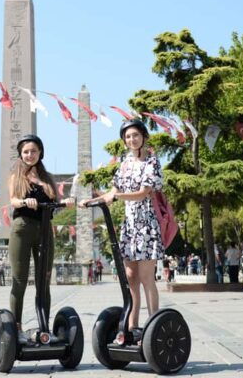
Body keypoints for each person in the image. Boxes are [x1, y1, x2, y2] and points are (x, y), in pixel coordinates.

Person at [80, 120, 163, 339]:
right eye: (127, 137)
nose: (131, 140)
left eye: (135, 135)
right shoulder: (125, 162)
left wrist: (117, 196)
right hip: (129, 226)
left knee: (146, 277)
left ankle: (154, 324)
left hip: (145, 225)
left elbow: (144, 192)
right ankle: (132, 325)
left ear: (144, 136)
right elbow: (113, 191)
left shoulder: (152, 162)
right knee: (130, 277)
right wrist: (90, 201)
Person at [8, 134, 74, 337]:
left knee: (44, 279)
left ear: (40, 153)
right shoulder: (16, 177)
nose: (30, 155)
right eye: (26, 152)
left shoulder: (47, 179)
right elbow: (13, 200)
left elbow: (56, 201)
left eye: (33, 151)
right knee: (19, 279)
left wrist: (67, 202)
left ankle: (44, 325)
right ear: (21, 154)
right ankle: (16, 325)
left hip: (45, 227)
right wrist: (24, 202)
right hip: (23, 227)